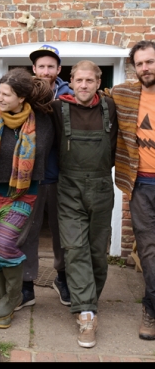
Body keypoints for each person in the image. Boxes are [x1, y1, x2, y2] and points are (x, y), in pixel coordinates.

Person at [0, 68, 54, 329]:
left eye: (6, 94)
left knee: (6, 246)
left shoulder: (42, 119)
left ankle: (13, 296)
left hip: (22, 193)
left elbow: (43, 153)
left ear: (21, 98)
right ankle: (5, 307)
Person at [52, 60, 118, 349]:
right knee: (75, 248)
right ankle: (86, 314)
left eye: (89, 81)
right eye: (78, 80)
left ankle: (88, 299)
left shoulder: (111, 106)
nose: (83, 86)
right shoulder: (58, 108)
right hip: (69, 187)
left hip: (102, 186)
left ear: (98, 82)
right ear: (71, 80)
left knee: (97, 253)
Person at [17, 45, 73, 311]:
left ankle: (62, 278)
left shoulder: (70, 95)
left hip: (63, 176)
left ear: (59, 70)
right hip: (31, 177)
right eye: (41, 66)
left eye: (51, 66)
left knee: (63, 233)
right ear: (34, 70)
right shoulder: (23, 96)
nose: (46, 71)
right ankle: (26, 285)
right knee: (27, 231)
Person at [111, 40, 155, 342]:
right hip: (142, 183)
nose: (145, 68)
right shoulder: (125, 93)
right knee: (149, 251)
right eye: (140, 64)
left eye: (150, 62)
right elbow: (87, 92)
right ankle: (150, 311)